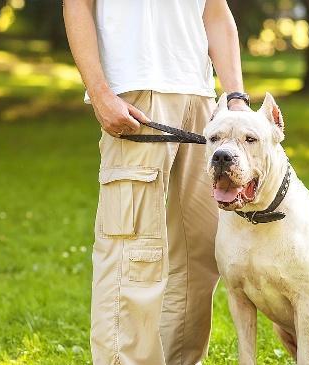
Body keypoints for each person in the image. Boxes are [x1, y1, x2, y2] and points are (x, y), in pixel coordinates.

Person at [63, 1, 249, 364]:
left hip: (201, 98)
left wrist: (236, 97)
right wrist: (101, 93)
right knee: (133, 252)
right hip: (136, 96)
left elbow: (214, 11)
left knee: (200, 250)